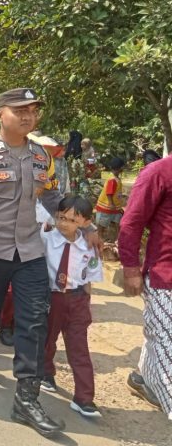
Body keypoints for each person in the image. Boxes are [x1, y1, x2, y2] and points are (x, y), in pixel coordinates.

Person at [0, 88, 97, 437]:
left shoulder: (41, 157)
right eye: (19, 110)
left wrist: (89, 226)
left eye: (33, 110)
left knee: (34, 321)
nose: (27, 116)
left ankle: (26, 397)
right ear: (0, 114)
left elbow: (53, 196)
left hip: (31, 253)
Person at [119, 155, 172, 422]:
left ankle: (144, 379)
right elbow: (132, 221)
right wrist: (130, 268)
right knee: (166, 341)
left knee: (161, 336)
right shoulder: (160, 171)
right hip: (166, 276)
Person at [41, 196, 103, 418]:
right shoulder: (46, 240)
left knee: (79, 349)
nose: (64, 223)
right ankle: (46, 372)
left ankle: (84, 398)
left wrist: (86, 305)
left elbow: (88, 280)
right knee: (48, 339)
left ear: (85, 223)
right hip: (52, 298)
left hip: (77, 300)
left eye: (71, 220)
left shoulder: (89, 246)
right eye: (61, 217)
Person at [95, 156, 125, 242]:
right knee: (102, 223)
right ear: (120, 168)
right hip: (107, 206)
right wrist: (111, 203)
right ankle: (100, 237)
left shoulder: (116, 178)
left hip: (114, 207)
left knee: (114, 222)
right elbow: (109, 193)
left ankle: (114, 239)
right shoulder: (112, 179)